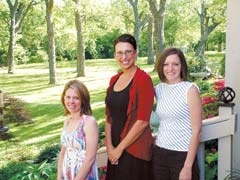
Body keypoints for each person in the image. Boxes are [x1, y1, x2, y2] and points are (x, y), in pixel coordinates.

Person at [104, 33, 155, 180]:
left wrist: (119, 149)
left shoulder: (143, 80)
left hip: (134, 150)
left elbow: (142, 121)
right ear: (115, 55)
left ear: (136, 53)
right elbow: (108, 117)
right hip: (114, 149)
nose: (124, 57)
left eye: (128, 52)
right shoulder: (114, 79)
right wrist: (109, 147)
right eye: (119, 53)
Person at [153, 47, 202, 180]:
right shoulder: (159, 89)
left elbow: (197, 130)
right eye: (166, 64)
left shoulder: (190, 90)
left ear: (182, 66)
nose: (170, 68)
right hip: (159, 153)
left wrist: (187, 167)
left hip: (182, 156)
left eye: (175, 64)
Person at [57, 80, 99, 180]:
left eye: (76, 98)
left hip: (84, 176)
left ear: (83, 100)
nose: (71, 101)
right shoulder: (67, 121)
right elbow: (63, 151)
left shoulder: (89, 122)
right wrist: (59, 177)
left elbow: (90, 158)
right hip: (67, 174)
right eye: (68, 97)